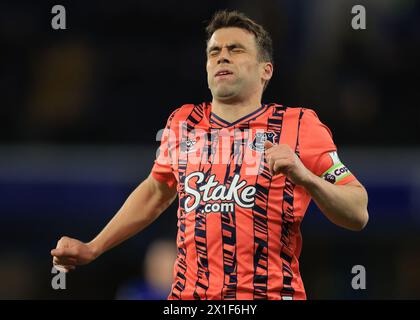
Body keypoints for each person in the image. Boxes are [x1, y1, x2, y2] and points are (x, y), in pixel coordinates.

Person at [51, 10, 369, 300]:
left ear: (265, 70)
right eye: (214, 52)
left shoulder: (300, 125)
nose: (222, 58)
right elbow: (155, 191)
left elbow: (357, 212)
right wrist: (93, 247)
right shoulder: (183, 122)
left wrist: (306, 177)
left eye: (236, 50)